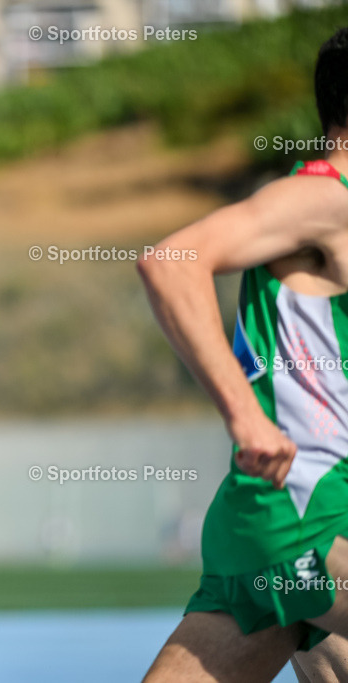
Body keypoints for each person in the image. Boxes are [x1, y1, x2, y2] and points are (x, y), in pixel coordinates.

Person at [138, 27, 348, 683]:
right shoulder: (326, 196)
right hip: (308, 511)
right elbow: (170, 261)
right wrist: (246, 418)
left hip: (267, 519)